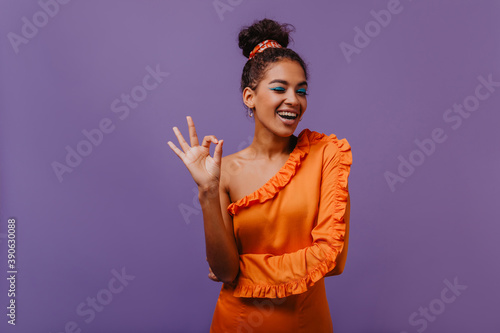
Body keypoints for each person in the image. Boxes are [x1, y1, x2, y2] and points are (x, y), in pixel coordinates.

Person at [167, 18, 352, 333]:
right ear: (249, 97)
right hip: (237, 322)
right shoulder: (223, 171)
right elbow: (225, 270)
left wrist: (245, 269)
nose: (293, 99)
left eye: (301, 90)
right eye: (279, 88)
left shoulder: (326, 154)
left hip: (307, 323)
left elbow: (331, 259)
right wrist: (208, 192)